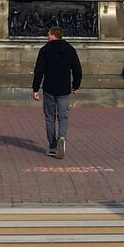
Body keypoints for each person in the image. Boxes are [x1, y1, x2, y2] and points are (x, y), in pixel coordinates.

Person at [32, 26, 82, 158]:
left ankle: (52, 146)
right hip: (64, 89)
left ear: (54, 35)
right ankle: (62, 138)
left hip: (49, 88)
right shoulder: (70, 50)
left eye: (48, 34)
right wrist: (75, 86)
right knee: (63, 117)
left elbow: (39, 71)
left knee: (50, 118)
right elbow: (77, 70)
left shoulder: (45, 50)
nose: (47, 36)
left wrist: (35, 89)